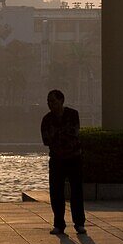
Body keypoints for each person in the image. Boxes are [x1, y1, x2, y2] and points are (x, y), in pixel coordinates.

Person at [41, 89, 86, 235]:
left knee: (76, 192)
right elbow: (46, 140)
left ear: (61, 100)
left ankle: (79, 223)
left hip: (74, 158)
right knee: (56, 193)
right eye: (48, 102)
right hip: (57, 160)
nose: (50, 104)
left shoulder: (73, 115)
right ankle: (59, 224)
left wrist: (58, 136)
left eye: (53, 101)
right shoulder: (46, 119)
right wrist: (61, 136)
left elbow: (73, 133)